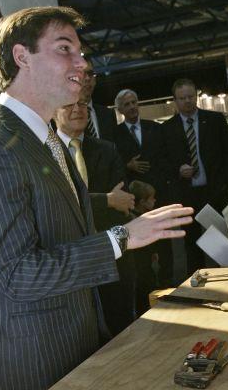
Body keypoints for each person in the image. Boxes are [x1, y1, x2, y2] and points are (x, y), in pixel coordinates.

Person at [0, 6, 192, 390]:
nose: (82, 63)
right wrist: (122, 237)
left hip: (72, 344)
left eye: (80, 52)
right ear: (21, 56)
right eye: (65, 49)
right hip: (33, 361)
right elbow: (19, 274)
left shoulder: (44, 141)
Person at [54, 96, 137, 335]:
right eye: (68, 104)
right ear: (52, 112)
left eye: (82, 104)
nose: (77, 109)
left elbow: (124, 201)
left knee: (120, 330)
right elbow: (58, 204)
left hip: (111, 255)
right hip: (70, 258)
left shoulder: (106, 148)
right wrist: (106, 200)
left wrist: (110, 201)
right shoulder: (44, 155)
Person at [161, 78, 228, 273]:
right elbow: (163, 162)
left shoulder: (215, 120)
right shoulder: (167, 129)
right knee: (192, 248)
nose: (187, 101)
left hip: (215, 192)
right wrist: (178, 170)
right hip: (187, 196)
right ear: (175, 100)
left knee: (222, 244)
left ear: (196, 96)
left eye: (190, 96)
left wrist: (224, 183)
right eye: (182, 98)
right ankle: (200, 289)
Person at [114, 89, 172, 284]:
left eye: (134, 102)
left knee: (165, 244)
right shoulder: (115, 135)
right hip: (135, 202)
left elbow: (165, 157)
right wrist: (128, 165)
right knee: (143, 251)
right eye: (127, 104)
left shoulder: (155, 128)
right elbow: (114, 165)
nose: (131, 107)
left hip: (158, 197)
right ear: (120, 109)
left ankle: (169, 283)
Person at [128, 180, 159, 315]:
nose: (154, 200)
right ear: (142, 202)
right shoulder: (137, 220)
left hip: (146, 262)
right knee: (144, 293)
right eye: (151, 198)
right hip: (140, 267)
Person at [81, 57, 118, 141]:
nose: (87, 78)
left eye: (90, 73)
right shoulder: (66, 116)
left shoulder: (108, 114)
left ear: (95, 80)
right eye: (82, 73)